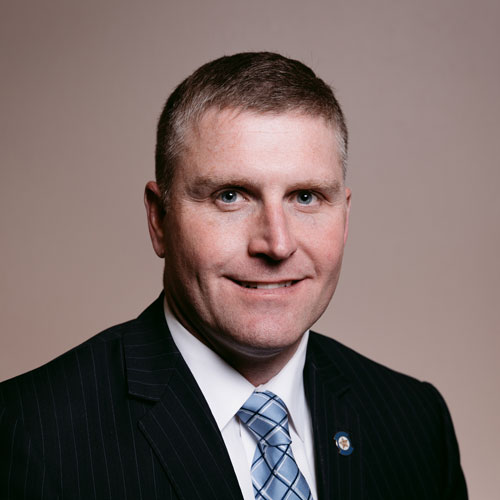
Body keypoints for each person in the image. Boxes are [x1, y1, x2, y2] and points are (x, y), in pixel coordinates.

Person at [0, 52, 467, 499]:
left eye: (305, 197)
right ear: (159, 219)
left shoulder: (414, 422)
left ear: (344, 218)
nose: (277, 244)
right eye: (230, 196)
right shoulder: (28, 433)